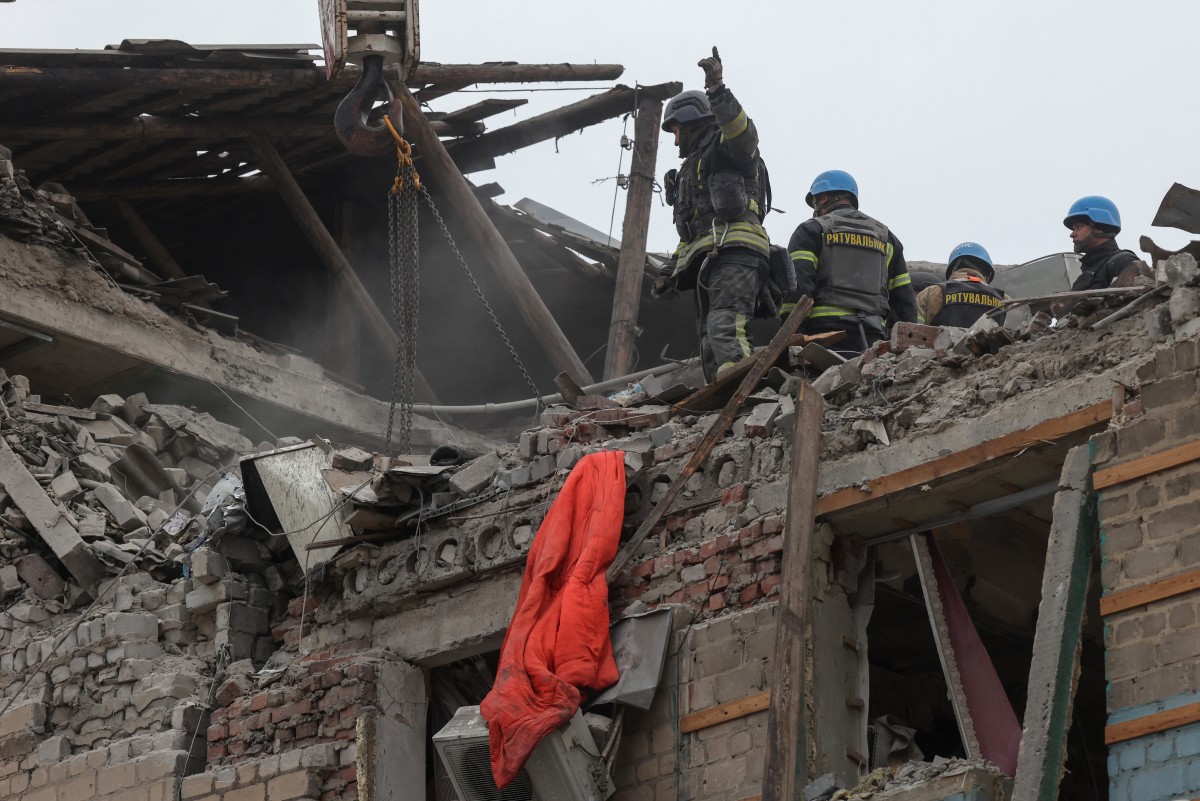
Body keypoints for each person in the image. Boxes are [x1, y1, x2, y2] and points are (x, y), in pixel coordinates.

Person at [651, 47, 772, 380]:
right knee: (708, 339)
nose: (675, 141)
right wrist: (670, 272)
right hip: (713, 255)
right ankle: (721, 398)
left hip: (736, 250)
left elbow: (743, 134)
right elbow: (692, 234)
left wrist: (717, 89)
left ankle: (743, 390)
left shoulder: (724, 148)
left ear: (691, 122)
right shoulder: (692, 169)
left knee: (724, 325)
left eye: (675, 130)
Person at [780, 170, 918, 356]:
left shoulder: (811, 230)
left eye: (814, 201)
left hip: (822, 337)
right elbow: (904, 301)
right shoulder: (887, 238)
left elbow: (798, 288)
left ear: (823, 197)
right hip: (873, 340)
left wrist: (789, 337)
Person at [917, 242, 1009, 327]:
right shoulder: (1006, 300)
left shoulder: (931, 293)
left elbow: (915, 332)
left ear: (953, 268)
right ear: (988, 274)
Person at [1063, 196, 1141, 291]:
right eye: (1073, 229)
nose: (1072, 234)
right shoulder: (1085, 275)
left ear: (1100, 227)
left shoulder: (1123, 261)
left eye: (1078, 227)